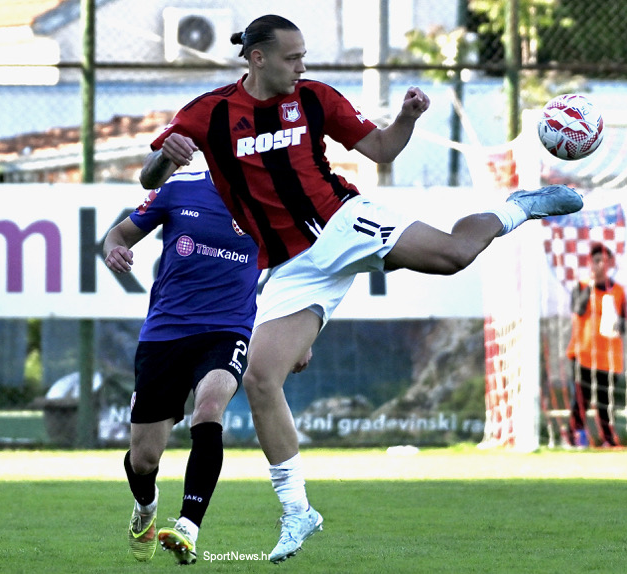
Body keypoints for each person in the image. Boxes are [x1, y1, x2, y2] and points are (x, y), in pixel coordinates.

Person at [139, 14, 584, 563]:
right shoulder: (208, 113)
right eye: (291, 57)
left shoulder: (316, 98)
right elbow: (149, 177)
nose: (302, 65)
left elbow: (380, 150)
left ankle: (514, 207)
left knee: (452, 256)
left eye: (304, 55)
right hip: (290, 266)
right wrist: (167, 157)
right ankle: (298, 511)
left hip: (341, 223)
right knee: (260, 376)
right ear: (257, 58)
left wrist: (407, 118)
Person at [105, 170, 310, 565]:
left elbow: (297, 267)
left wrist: (301, 334)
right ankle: (146, 509)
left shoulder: (272, 195)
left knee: (210, 407)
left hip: (227, 330)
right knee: (143, 459)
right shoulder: (180, 188)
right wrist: (115, 249)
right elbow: (119, 234)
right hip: (165, 333)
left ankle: (187, 527)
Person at [564, 242, 626, 448]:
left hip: (608, 357)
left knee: (604, 403)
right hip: (583, 353)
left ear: (609, 264)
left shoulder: (618, 292)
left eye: (603, 261)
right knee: (580, 400)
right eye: (595, 260)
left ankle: (608, 441)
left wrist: (616, 323)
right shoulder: (581, 286)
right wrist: (591, 286)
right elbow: (578, 310)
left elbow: (623, 324)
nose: (598, 265)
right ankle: (576, 439)